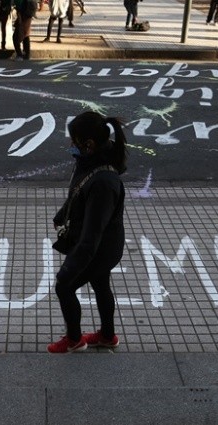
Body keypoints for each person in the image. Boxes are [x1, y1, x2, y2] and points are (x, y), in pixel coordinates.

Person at [48, 111, 128, 354]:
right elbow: (78, 191)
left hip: (100, 248)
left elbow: (92, 236)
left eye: (74, 141)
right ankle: (107, 336)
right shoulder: (89, 161)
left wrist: (69, 270)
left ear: (89, 144)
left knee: (64, 286)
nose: (71, 145)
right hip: (103, 244)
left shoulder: (104, 182)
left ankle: (75, 340)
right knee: (100, 283)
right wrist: (63, 213)